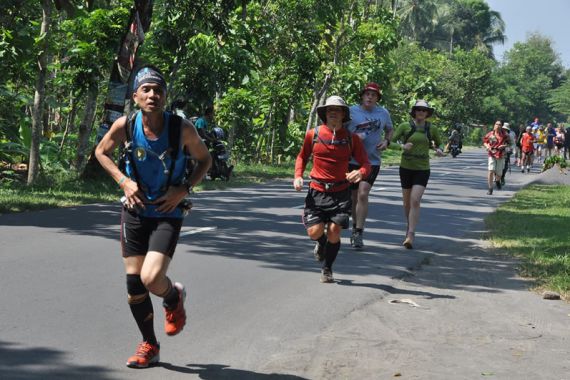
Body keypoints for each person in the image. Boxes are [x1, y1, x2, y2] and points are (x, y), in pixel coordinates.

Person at [95, 65, 212, 368]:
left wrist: (183, 189)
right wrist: (123, 181)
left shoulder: (181, 128)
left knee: (150, 278)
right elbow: (101, 152)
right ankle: (150, 345)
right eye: (145, 90)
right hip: (134, 210)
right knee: (134, 283)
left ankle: (172, 297)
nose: (152, 95)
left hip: (166, 211)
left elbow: (205, 160)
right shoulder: (126, 125)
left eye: (158, 90)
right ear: (135, 97)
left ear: (165, 96)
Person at [294, 95, 371, 283]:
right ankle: (321, 244)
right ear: (325, 114)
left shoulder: (351, 139)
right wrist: (298, 176)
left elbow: (366, 164)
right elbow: (302, 157)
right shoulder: (313, 134)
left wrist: (360, 173)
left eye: (338, 110)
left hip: (340, 193)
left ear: (344, 115)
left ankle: (327, 268)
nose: (334, 113)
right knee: (314, 232)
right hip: (317, 191)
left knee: (335, 230)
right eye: (330, 110)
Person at [391, 100, 444, 249]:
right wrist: (402, 146)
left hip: (422, 168)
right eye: (418, 109)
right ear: (414, 111)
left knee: (415, 200)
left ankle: (411, 234)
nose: (421, 112)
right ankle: (408, 228)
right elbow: (390, 142)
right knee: (407, 202)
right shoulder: (404, 126)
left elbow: (439, 143)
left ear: (427, 113)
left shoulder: (431, 128)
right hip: (406, 168)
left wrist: (438, 150)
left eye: (424, 110)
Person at [346, 82, 393, 249]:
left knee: (363, 194)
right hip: (351, 160)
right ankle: (354, 228)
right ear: (362, 96)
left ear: (377, 98)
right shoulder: (351, 111)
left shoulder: (383, 113)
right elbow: (339, 129)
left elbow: (389, 130)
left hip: (372, 160)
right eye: (367, 94)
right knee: (353, 197)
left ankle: (359, 231)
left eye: (374, 95)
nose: (370, 97)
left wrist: (386, 141)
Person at [483, 120, 509, 195]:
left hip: (501, 155)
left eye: (500, 124)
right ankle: (490, 188)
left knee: (499, 174)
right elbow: (485, 141)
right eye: (497, 124)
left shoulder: (505, 135)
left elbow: (509, 143)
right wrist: (487, 146)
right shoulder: (490, 134)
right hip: (492, 154)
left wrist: (504, 146)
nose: (498, 126)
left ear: (501, 126)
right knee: (491, 170)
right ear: (494, 126)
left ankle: (497, 181)